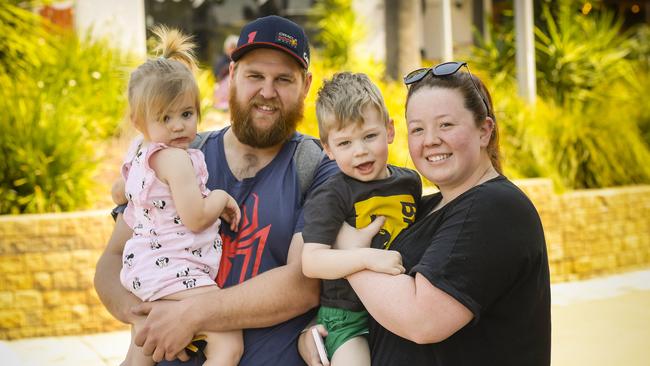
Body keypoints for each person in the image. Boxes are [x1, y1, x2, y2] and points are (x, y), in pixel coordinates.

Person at [94, 15, 339, 365]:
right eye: (255, 76)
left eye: (283, 79)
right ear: (233, 75)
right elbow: (111, 261)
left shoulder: (316, 169)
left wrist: (192, 315)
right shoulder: (178, 154)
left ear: (305, 84)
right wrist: (145, 319)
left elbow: (302, 285)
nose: (267, 91)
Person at [300, 61, 551, 366]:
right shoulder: (424, 205)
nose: (430, 139)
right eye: (418, 128)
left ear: (484, 130)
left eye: (446, 124)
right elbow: (379, 299)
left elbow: (422, 320)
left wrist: (352, 250)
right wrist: (325, 330)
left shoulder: (495, 208)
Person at [110, 26, 243, 366]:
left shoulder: (139, 153)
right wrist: (221, 197)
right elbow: (196, 216)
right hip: (175, 269)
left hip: (145, 266)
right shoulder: (176, 159)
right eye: (165, 118)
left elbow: (118, 191)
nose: (178, 127)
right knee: (228, 340)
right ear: (139, 121)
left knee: (141, 352)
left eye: (186, 114)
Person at [301, 72, 421, 365]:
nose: (360, 151)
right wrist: (366, 258)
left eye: (370, 136)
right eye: (344, 144)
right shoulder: (332, 194)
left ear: (389, 130)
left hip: (398, 305)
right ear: (327, 149)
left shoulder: (410, 182)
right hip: (348, 315)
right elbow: (311, 261)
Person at [212, 34, 238, 110]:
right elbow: (217, 77)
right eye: (231, 48)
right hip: (223, 88)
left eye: (235, 47)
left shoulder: (239, 61)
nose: (233, 50)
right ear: (227, 49)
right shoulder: (221, 60)